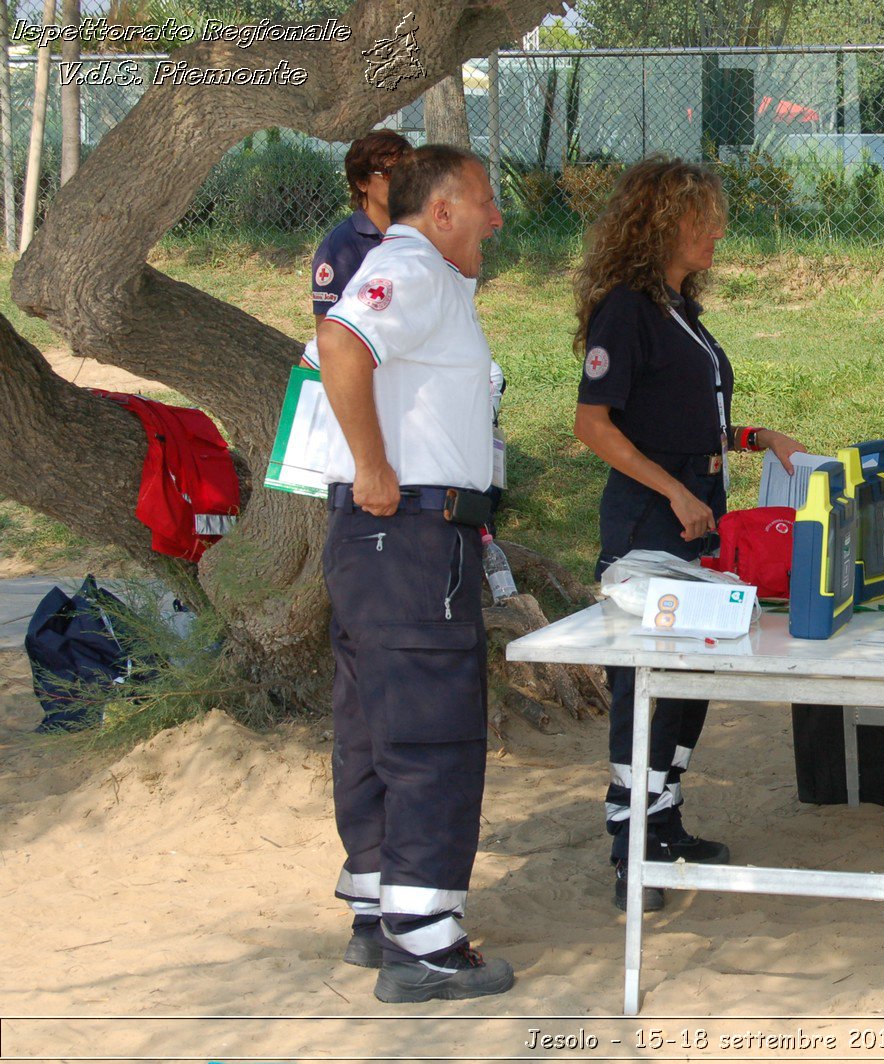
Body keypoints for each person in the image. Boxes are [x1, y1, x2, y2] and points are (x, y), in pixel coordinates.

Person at [571, 157, 804, 912]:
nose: (716, 231)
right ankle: (627, 844)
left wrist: (752, 436)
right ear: (659, 223)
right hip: (650, 524)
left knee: (693, 676)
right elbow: (594, 425)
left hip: (696, 514)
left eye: (714, 217)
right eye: (700, 218)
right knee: (646, 681)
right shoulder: (627, 310)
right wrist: (671, 489)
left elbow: (674, 417)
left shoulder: (677, 309)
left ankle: (663, 819)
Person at [317, 144, 513, 1002]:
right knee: (431, 733)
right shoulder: (414, 269)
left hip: (382, 542)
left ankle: (378, 910)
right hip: (408, 535)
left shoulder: (423, 274)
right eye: (484, 203)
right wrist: (374, 465)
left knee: (373, 726)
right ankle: (426, 944)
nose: (497, 219)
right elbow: (341, 340)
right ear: (440, 212)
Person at [312, 130, 412, 323]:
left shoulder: (419, 235)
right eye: (390, 173)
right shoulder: (339, 247)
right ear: (361, 182)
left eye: (408, 172)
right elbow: (328, 333)